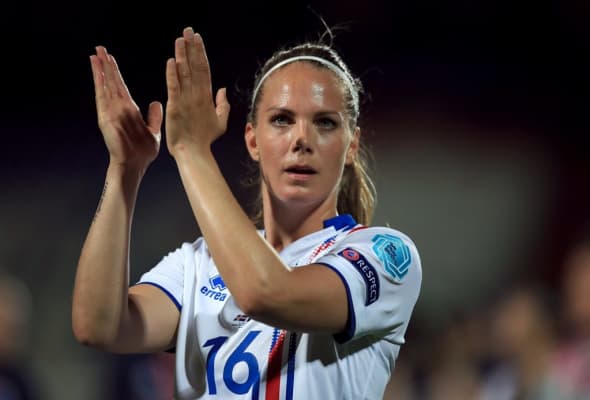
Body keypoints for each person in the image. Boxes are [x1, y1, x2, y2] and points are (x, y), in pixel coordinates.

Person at [72, 26, 422, 399]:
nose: (302, 139)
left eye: (325, 122)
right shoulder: (198, 263)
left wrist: (192, 151)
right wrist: (124, 170)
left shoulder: (383, 256)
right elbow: (99, 326)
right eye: (282, 119)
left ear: (351, 145)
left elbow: (267, 292)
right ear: (253, 140)